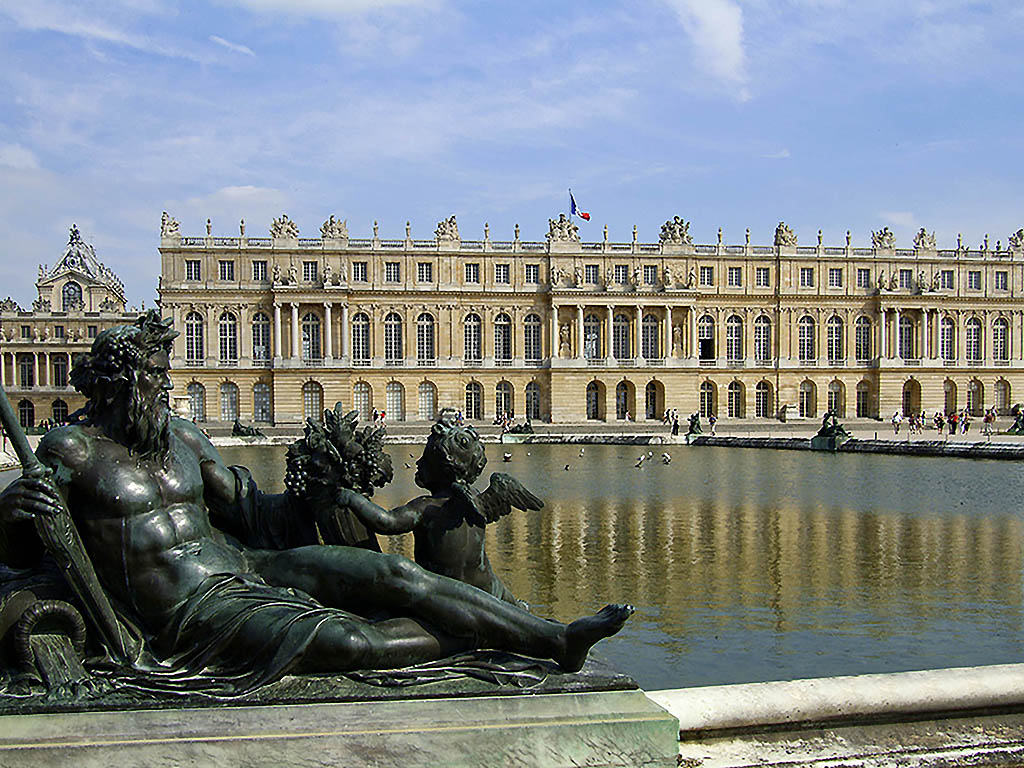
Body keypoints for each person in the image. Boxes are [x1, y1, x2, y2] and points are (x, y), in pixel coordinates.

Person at [0, 313, 631, 693]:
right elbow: (22, 548)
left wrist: (318, 489)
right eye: (154, 377)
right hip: (187, 607)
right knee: (351, 643)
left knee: (395, 573)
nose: (166, 385)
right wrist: (11, 508)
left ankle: (555, 639)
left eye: (167, 375)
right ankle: (479, 638)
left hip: (242, 568)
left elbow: (251, 511)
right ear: (119, 382)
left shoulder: (182, 436)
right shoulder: (73, 450)